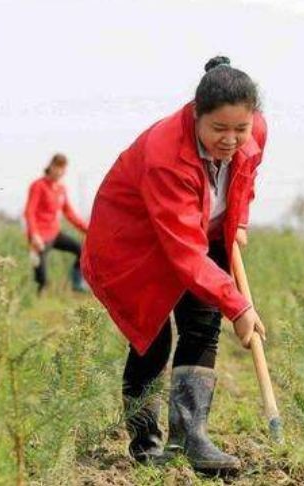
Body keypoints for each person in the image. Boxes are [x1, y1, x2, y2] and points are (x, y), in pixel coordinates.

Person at [81, 56, 267, 471]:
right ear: (195, 114)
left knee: (203, 324)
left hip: (200, 229)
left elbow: (247, 173)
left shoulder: (254, 130)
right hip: (133, 245)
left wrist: (240, 218)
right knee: (153, 336)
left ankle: (191, 439)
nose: (232, 139)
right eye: (219, 129)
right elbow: (183, 253)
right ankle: (146, 445)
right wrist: (239, 305)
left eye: (241, 129)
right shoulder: (166, 154)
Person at [24, 153, 88, 294]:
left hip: (54, 233)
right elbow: (29, 212)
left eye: (62, 169)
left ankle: (77, 284)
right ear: (51, 167)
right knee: (41, 275)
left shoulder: (61, 189)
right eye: (57, 167)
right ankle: (40, 295)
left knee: (82, 250)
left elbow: (69, 213)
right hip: (40, 236)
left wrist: (88, 230)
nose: (59, 171)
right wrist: (34, 235)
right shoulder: (38, 186)